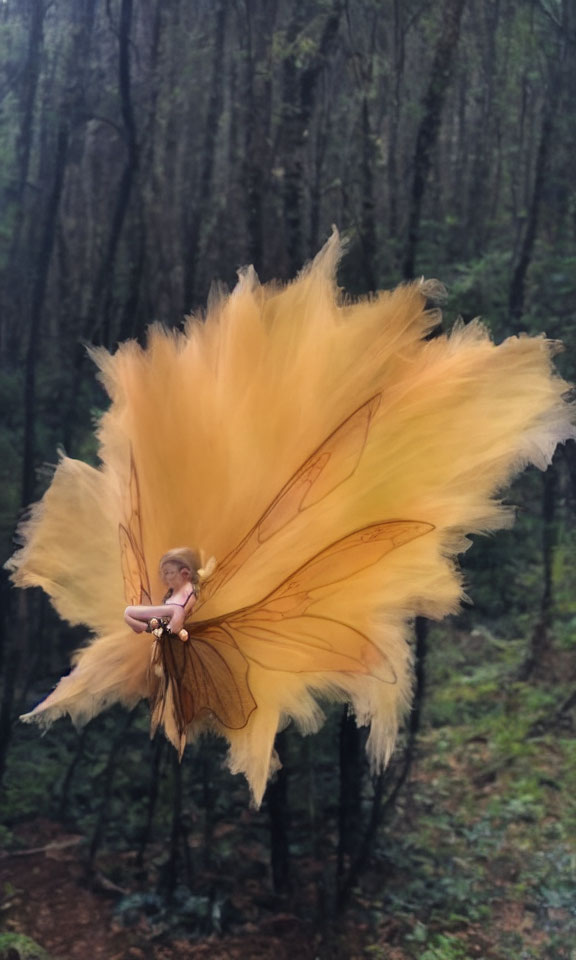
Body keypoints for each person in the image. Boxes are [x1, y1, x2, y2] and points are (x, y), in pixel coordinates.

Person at [123, 548, 200, 640]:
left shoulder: (189, 588)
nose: (165, 578)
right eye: (164, 573)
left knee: (177, 610)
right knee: (128, 613)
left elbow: (182, 611)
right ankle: (147, 627)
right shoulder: (172, 592)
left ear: (185, 573)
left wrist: (175, 625)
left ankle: (162, 629)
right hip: (163, 621)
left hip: (173, 620)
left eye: (169, 573)